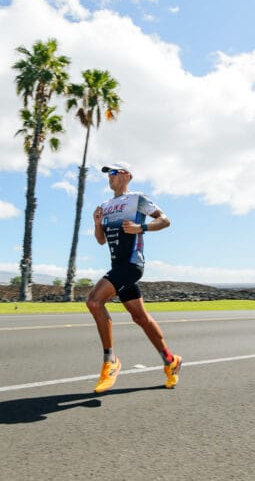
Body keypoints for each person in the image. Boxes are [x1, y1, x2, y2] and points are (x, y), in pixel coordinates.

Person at [87, 162, 182, 393]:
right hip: (117, 266)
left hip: (131, 265)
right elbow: (101, 240)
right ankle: (171, 361)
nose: (109, 177)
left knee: (94, 301)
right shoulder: (105, 205)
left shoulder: (137, 199)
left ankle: (110, 361)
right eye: (107, 174)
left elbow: (165, 220)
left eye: (113, 172)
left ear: (126, 175)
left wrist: (142, 228)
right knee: (140, 318)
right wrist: (97, 223)